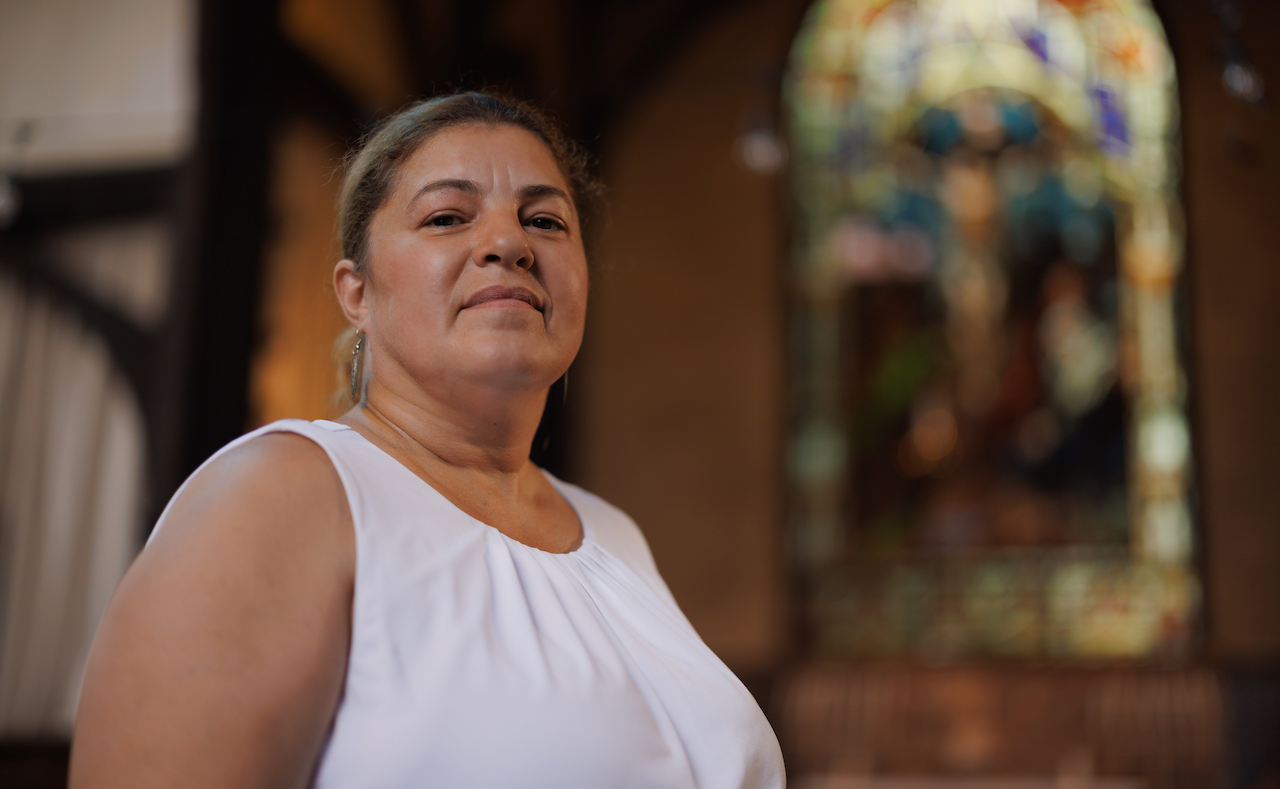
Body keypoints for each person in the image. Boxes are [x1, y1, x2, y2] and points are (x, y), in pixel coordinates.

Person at [69, 92, 786, 789]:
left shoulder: (613, 534)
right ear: (357, 294)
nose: (510, 243)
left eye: (545, 221)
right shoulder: (279, 496)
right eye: (447, 216)